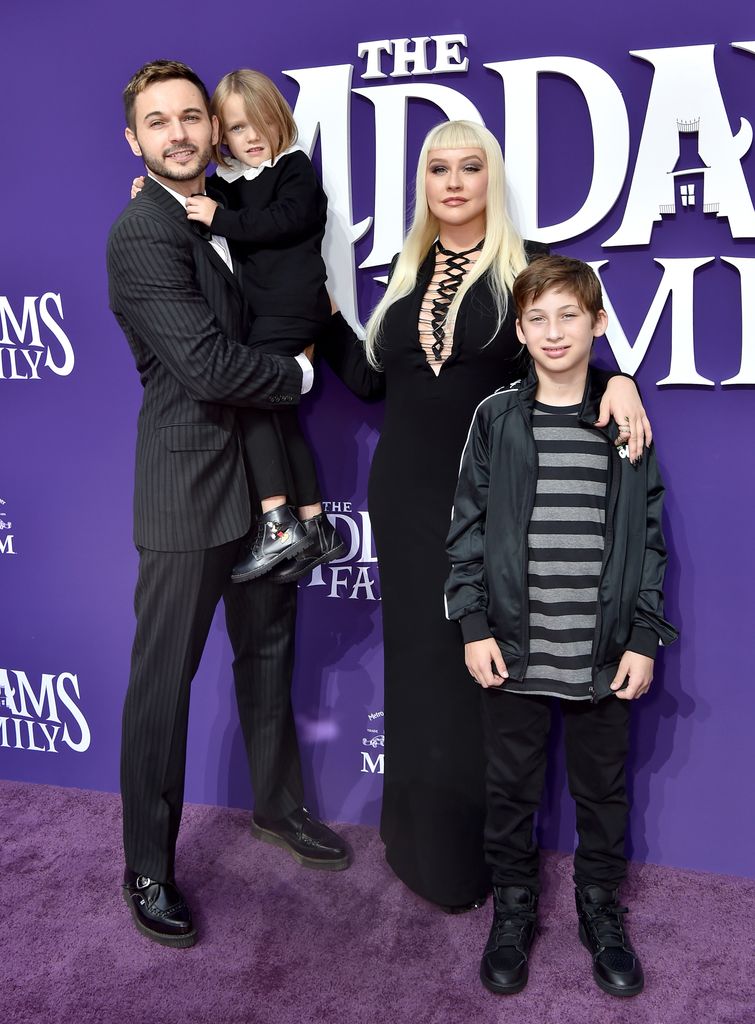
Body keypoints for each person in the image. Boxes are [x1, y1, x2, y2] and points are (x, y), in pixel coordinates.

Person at [318, 120, 652, 910]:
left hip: (492, 501)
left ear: (490, 179)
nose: (455, 181)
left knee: (482, 674)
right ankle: (416, 842)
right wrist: (321, 313)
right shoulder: (406, 274)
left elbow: (561, 348)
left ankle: (480, 866)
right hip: (400, 498)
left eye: (471, 166)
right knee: (417, 668)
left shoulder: (524, 271)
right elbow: (372, 385)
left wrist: (619, 382)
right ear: (424, 185)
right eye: (439, 168)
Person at [108, 59, 349, 950]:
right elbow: (207, 366)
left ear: (212, 130)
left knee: (270, 653)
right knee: (160, 690)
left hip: (262, 485)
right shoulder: (141, 233)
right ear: (134, 141)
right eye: (157, 123)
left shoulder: (229, 217)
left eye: (189, 117)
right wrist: (293, 373)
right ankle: (145, 865)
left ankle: (277, 807)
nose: (177, 133)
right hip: (185, 487)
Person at [445, 255, 678, 995]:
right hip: (514, 647)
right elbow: (467, 529)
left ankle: (598, 908)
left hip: (601, 651)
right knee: (510, 789)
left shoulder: (623, 418)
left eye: (568, 316)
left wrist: (642, 635)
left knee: (602, 792)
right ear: (519, 329)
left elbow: (648, 537)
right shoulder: (496, 417)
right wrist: (473, 622)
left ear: (597, 323)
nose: (552, 332)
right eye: (537, 319)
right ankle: (512, 910)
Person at [182, 69, 345, 582]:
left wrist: (218, 217)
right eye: (234, 129)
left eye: (257, 124)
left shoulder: (294, 169)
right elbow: (203, 212)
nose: (249, 138)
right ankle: (315, 525)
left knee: (248, 396)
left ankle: (277, 522)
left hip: (293, 308)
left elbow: (283, 221)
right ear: (218, 136)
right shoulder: (230, 190)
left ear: (278, 120)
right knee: (277, 414)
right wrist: (159, 193)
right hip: (267, 313)